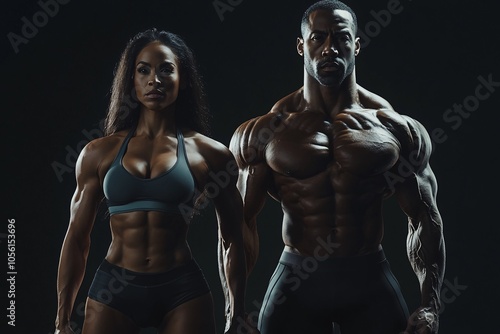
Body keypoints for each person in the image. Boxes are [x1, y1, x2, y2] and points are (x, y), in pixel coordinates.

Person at [229, 1, 445, 333]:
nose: (330, 48)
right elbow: (238, 224)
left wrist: (431, 305)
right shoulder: (265, 132)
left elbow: (424, 218)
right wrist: (235, 311)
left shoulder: (395, 129)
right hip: (297, 282)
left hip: (368, 280)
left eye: (341, 37)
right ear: (301, 46)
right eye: (318, 37)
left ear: (356, 45)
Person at [54, 28, 257, 334]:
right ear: (131, 81)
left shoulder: (210, 154)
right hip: (114, 288)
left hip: (181, 290)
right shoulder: (98, 153)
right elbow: (77, 238)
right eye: (143, 70)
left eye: (166, 70)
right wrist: (61, 320)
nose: (154, 80)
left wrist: (236, 311)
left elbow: (232, 239)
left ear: (183, 80)